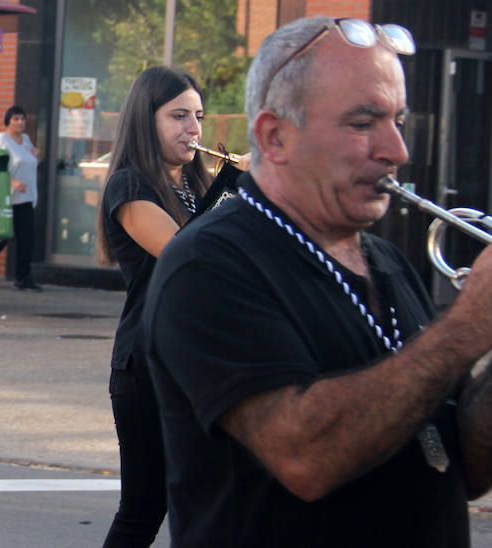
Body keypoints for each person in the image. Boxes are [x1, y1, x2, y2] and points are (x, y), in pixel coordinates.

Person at [144, 17, 492, 546]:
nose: (395, 150)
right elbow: (305, 457)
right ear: (275, 136)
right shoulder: (209, 265)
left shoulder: (388, 262)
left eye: (398, 120)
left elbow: (458, 462)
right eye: (363, 123)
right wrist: (467, 327)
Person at [93, 66, 231, 548]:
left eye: (197, 116)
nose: (193, 129)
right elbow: (187, 255)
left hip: (203, 361)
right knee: (143, 509)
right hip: (149, 364)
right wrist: (235, 186)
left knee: (219, 499)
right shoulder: (129, 186)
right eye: (178, 116)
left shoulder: (197, 183)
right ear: (145, 120)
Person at [0, 105, 41, 291]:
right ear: (8, 121)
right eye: (16, 119)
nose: (20, 122)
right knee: (0, 239)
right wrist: (12, 181)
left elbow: (28, 163)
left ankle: (23, 277)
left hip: (26, 198)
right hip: (7, 198)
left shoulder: (26, 139)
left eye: (22, 118)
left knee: (27, 239)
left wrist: (35, 156)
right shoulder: (1, 140)